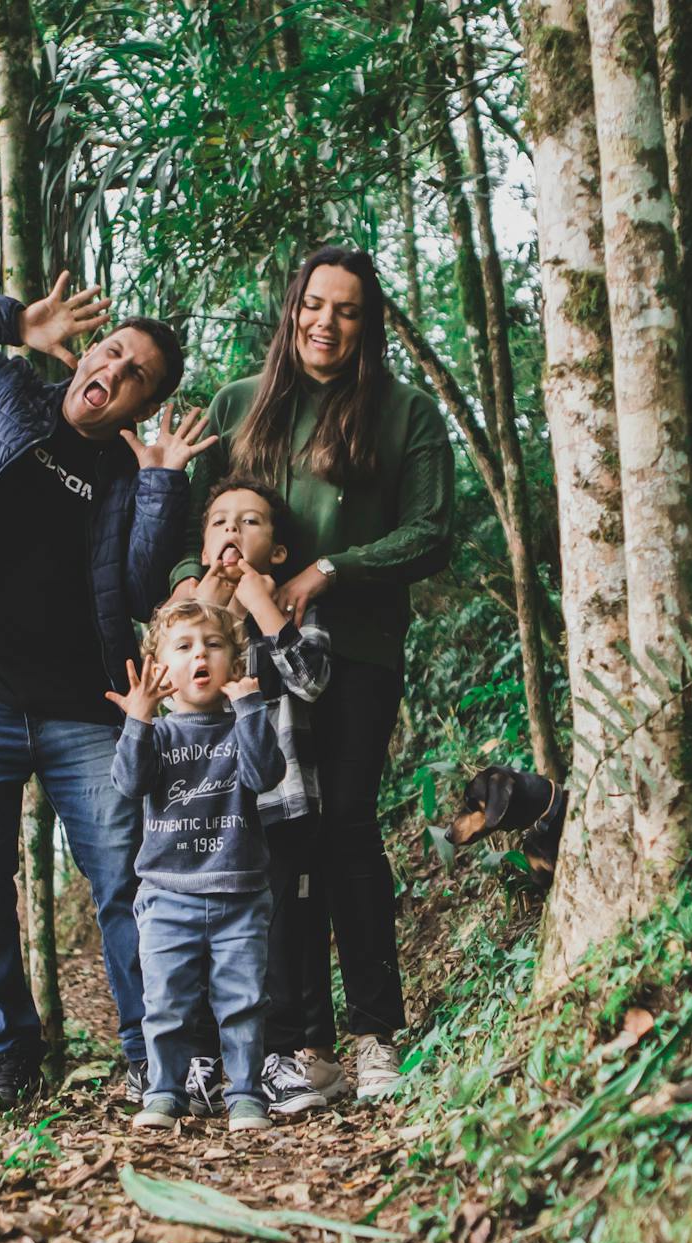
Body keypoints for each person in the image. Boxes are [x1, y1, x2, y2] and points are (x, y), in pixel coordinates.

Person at [0, 274, 217, 1109]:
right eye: (112, 351)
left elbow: (146, 589)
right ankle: (10, 1054)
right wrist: (15, 321)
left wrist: (160, 486)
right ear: (84, 357)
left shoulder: (132, 470)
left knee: (122, 879)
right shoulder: (2, 391)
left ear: (141, 402)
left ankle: (153, 1048)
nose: (116, 368)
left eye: (138, 372)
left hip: (84, 709)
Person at [170, 246, 455, 1102]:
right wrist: (199, 586)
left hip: (353, 655)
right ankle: (298, 1044)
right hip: (250, 669)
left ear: (367, 326)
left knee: (349, 829)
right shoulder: (238, 406)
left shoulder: (403, 413)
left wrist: (325, 570)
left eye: (347, 310)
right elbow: (193, 531)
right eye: (313, 305)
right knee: (270, 846)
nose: (325, 323)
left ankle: (374, 1034)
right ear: (292, 308)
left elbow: (433, 531)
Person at [176, 476, 336, 1117]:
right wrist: (210, 613)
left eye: (250, 522)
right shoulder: (189, 623)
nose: (233, 532)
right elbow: (163, 691)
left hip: (281, 805)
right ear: (204, 543)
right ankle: (207, 1061)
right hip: (205, 812)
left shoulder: (293, 615)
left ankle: (280, 1058)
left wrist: (264, 607)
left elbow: (313, 681)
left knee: (279, 935)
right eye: (220, 522)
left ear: (275, 550)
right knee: (204, 936)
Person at [109, 600, 285, 1133]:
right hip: (167, 895)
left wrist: (252, 707)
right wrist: (138, 720)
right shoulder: (158, 735)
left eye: (212, 645)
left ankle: (247, 1096)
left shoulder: (242, 725)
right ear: (160, 667)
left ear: (234, 661)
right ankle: (164, 1093)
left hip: (240, 893)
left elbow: (265, 776)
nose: (199, 656)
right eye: (183, 647)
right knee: (165, 1004)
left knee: (243, 1002)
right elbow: (128, 783)